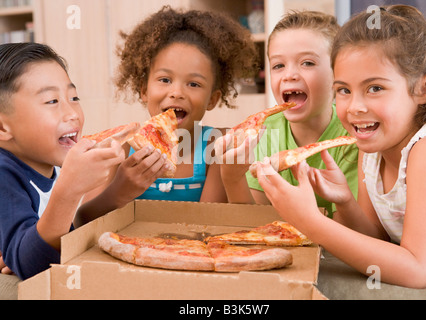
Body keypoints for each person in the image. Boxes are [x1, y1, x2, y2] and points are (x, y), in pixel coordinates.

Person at [254, 5, 426, 288]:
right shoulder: (371, 148)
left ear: (425, 87)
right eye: (344, 90)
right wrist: (344, 202)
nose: (355, 107)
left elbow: (418, 271)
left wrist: (311, 222)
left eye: (375, 88)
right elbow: (377, 241)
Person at [77, 6, 258, 217]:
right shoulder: (122, 151)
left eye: (194, 84)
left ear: (213, 99)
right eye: (165, 80)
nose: (177, 92)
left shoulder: (217, 147)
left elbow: (206, 225)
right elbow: (81, 221)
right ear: (144, 90)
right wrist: (119, 191)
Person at [0, 43, 125, 281]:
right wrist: (68, 191)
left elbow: (68, 235)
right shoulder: (4, 173)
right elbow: (33, 268)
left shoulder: (50, 162)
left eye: (74, 97)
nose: (73, 113)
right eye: (51, 101)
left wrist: (124, 185)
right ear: (2, 126)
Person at [217, 11, 358, 216]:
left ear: (338, 73)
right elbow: (251, 224)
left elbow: (350, 234)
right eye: (278, 65)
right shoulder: (261, 134)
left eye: (307, 63)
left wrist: (302, 214)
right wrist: (232, 179)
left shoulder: (352, 139)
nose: (289, 75)